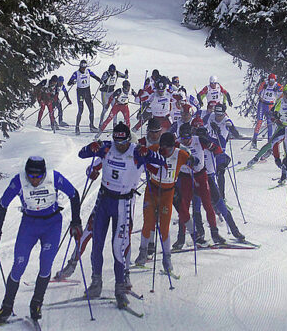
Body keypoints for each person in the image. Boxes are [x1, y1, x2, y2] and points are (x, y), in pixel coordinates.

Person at [77, 123, 164, 309]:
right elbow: (82, 154)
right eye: (117, 141)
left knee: (118, 246)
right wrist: (91, 147)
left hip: (123, 202)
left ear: (128, 139)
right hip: (104, 199)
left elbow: (161, 162)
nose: (120, 145)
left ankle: (120, 288)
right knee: (97, 243)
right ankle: (96, 282)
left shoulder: (136, 151)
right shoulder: (107, 147)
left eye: (123, 142)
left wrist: (147, 153)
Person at [0, 157, 82, 323]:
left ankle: (36, 304)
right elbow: (3, 204)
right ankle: (7, 307)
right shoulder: (19, 180)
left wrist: (76, 222)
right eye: (31, 176)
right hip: (29, 225)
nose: (34, 180)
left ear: (44, 173)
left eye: (38, 177)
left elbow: (74, 195)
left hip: (52, 224)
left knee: (45, 265)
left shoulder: (54, 177)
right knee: (18, 264)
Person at [135, 132, 191, 276]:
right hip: (152, 190)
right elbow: (139, 155)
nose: (164, 151)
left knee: (164, 228)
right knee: (148, 223)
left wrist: (194, 161)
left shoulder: (180, 154)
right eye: (162, 147)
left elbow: (192, 160)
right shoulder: (154, 149)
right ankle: (143, 253)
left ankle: (167, 259)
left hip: (168, 193)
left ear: (173, 146)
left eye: (168, 148)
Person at [174, 123, 227, 248]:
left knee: (208, 205)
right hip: (185, 178)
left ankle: (215, 234)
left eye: (188, 138)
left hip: (200, 176)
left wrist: (213, 148)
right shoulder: (177, 143)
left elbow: (218, 149)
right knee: (183, 208)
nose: (186, 141)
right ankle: (180, 238)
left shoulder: (199, 140)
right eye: (183, 138)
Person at [203, 103, 243, 199]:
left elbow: (237, 135)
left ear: (224, 114)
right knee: (206, 170)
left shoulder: (226, 120)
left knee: (220, 171)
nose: (218, 117)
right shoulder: (210, 116)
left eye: (220, 115)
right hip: (209, 145)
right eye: (216, 114)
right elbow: (200, 123)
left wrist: (232, 128)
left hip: (220, 146)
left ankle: (221, 196)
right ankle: (206, 193)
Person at [68, 60, 103, 135]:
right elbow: (68, 83)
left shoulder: (88, 71)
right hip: (80, 93)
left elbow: (95, 76)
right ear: (80, 66)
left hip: (87, 92)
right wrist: (72, 82)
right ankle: (77, 127)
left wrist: (100, 80)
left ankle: (92, 126)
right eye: (82, 67)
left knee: (91, 108)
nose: (83, 69)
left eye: (84, 67)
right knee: (81, 109)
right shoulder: (76, 73)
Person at [252, 73, 283, 148]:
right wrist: (263, 88)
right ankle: (254, 140)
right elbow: (258, 92)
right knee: (259, 121)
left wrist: (278, 91)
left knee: (270, 123)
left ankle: (270, 142)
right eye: (270, 80)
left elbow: (283, 94)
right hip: (262, 104)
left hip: (270, 105)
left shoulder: (277, 85)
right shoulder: (265, 83)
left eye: (273, 80)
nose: (271, 82)